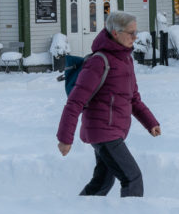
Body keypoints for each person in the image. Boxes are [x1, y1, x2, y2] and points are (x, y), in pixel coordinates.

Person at [57, 11, 161, 196]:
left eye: (136, 32)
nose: (135, 37)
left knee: (102, 181)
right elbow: (75, 101)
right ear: (115, 33)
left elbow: (133, 98)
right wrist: (65, 138)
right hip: (103, 131)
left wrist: (150, 122)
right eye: (131, 33)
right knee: (132, 177)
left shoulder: (126, 60)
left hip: (112, 130)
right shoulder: (99, 62)